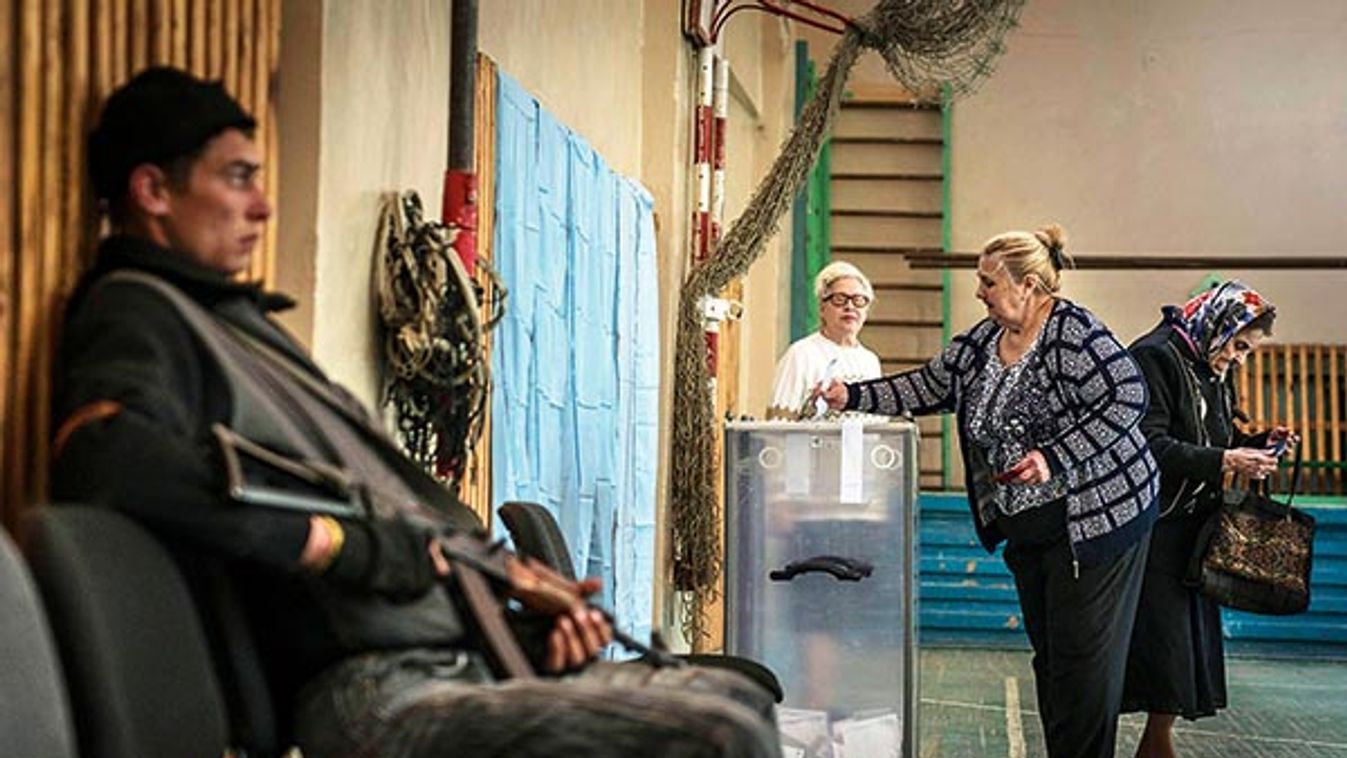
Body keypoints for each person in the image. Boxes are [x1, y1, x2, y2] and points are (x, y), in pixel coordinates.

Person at [51, 66, 780, 758]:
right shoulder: (137, 311)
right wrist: (337, 541)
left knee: (737, 701)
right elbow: (105, 455)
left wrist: (521, 630)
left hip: (442, 658)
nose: (263, 205)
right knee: (717, 733)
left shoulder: (238, 325)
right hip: (373, 692)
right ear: (152, 190)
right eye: (237, 178)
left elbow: (403, 544)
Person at [820, 224, 1159, 758]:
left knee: (1081, 664)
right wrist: (854, 395)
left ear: (1028, 285)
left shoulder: (1074, 334)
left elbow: (1128, 398)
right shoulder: (984, 340)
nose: (979, 292)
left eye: (988, 282)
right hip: (1031, 525)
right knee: (1051, 658)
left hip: (1097, 522)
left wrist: (1054, 457)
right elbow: (931, 385)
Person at [1122, 281, 1292, 758]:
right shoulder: (1155, 357)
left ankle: (1155, 747)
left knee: (1180, 656)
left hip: (1195, 530)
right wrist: (1226, 461)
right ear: (1218, 325)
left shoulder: (1208, 360)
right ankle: (1156, 748)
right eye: (1239, 346)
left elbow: (1215, 434)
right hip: (1157, 530)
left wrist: (1255, 445)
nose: (1240, 358)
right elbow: (1149, 445)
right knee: (1166, 654)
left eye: (1247, 351)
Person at [767, 260, 882, 420]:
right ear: (822, 308)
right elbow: (777, 427)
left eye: (859, 300)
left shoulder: (870, 361)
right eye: (840, 299)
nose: (850, 307)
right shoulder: (801, 354)